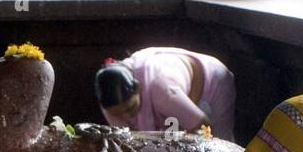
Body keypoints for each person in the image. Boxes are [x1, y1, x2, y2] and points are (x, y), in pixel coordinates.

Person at [96, 47, 236, 141]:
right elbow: (128, 141)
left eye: (130, 108)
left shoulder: (161, 91)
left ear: (138, 88)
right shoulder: (109, 103)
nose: (126, 117)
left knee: (221, 143)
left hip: (212, 82)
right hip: (173, 102)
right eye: (118, 114)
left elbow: (202, 126)